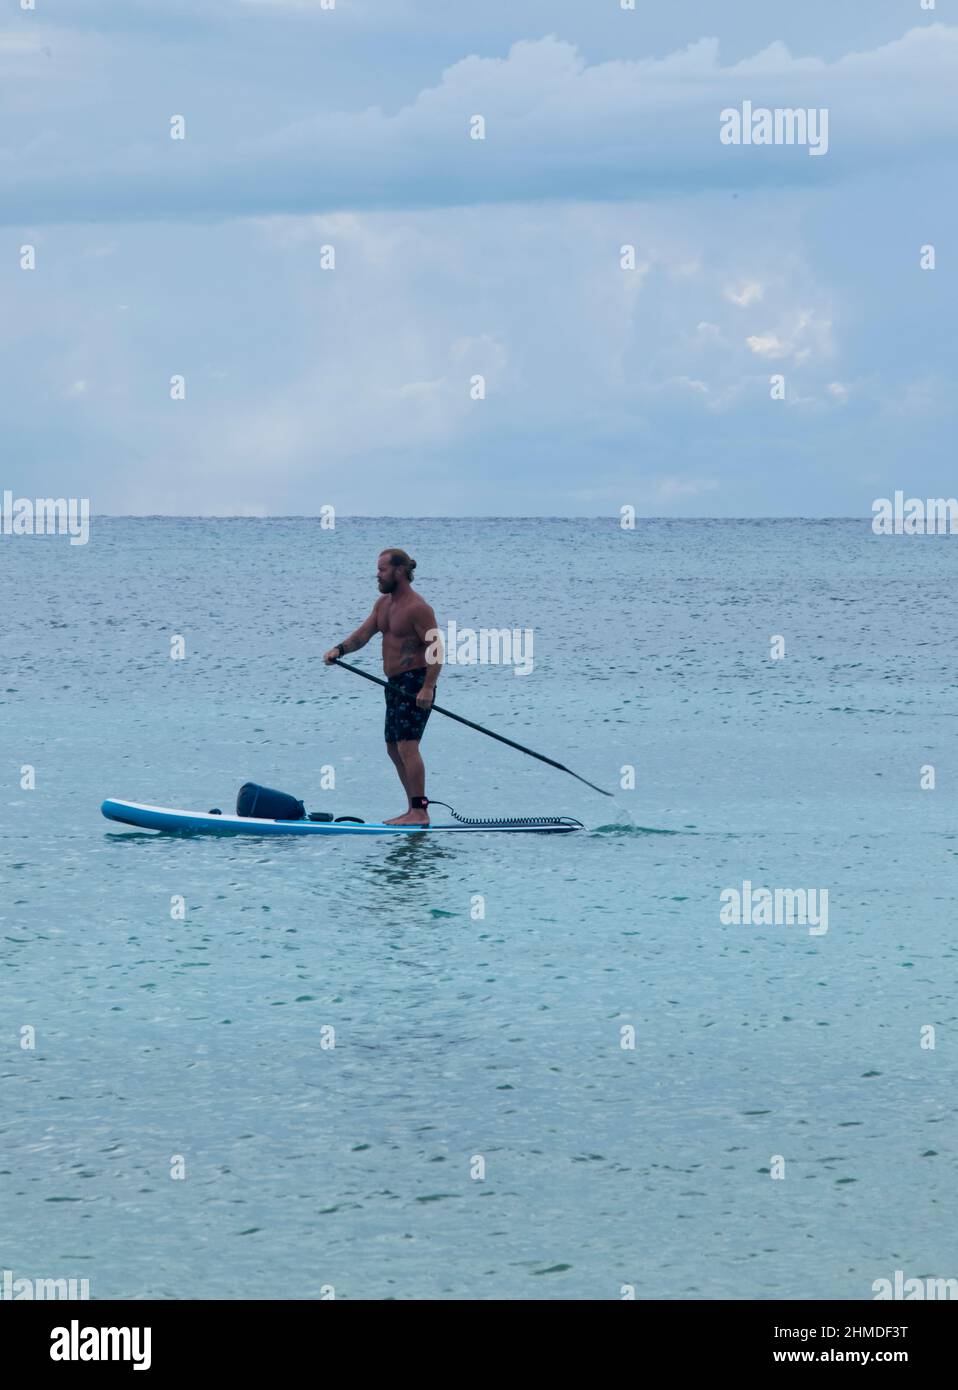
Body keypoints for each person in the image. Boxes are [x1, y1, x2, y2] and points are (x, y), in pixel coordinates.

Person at [324, 549, 442, 826]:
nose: (377, 574)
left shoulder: (418, 608)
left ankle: (420, 810)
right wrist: (339, 650)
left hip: (415, 683)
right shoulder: (383, 605)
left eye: (382, 569)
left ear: (399, 571)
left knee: (407, 746)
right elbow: (363, 634)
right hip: (393, 685)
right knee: (393, 747)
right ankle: (412, 808)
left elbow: (436, 649)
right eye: (378, 569)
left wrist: (427, 688)